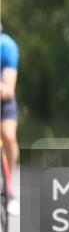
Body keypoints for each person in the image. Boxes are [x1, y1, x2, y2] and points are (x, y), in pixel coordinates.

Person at [0, 23, 20, 216]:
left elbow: (8, 90)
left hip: (3, 101)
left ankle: (10, 187)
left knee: (8, 135)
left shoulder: (7, 47)